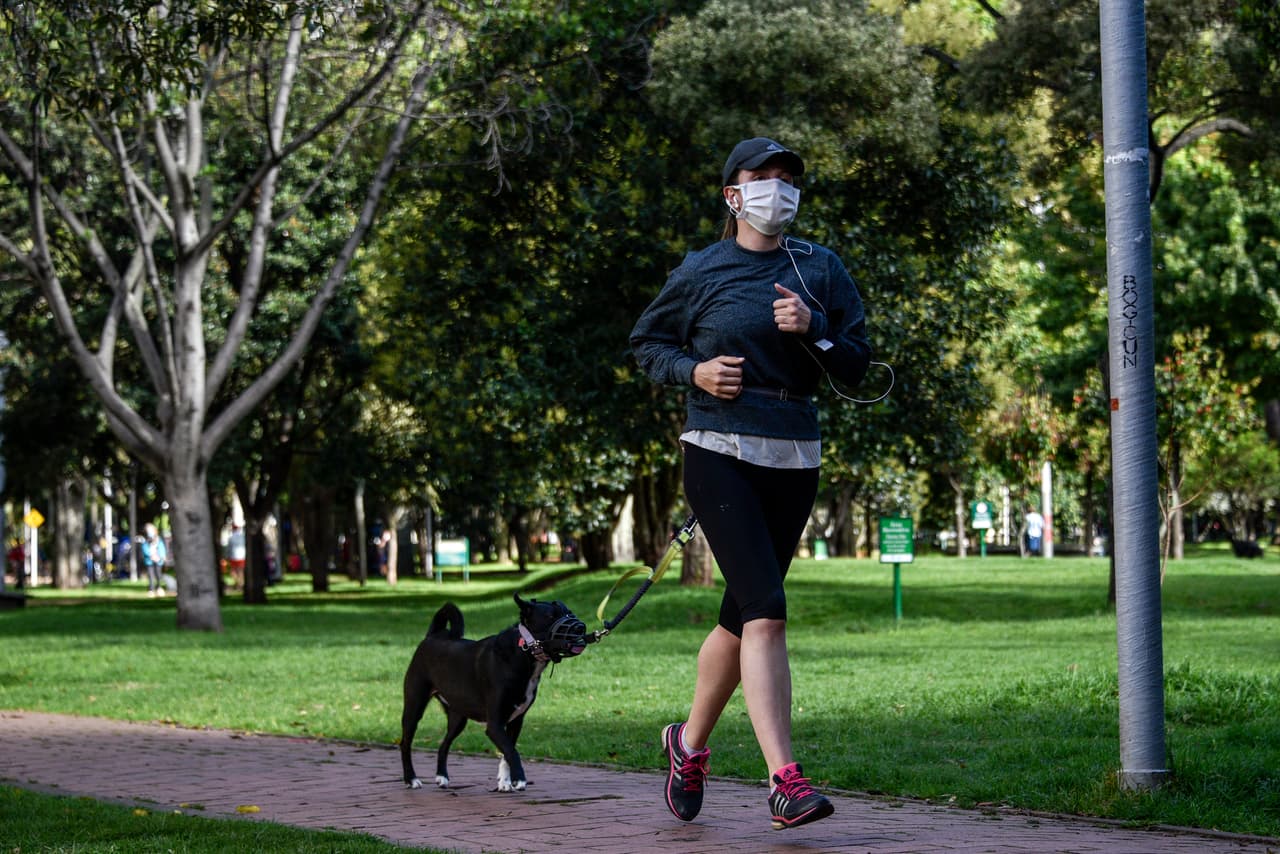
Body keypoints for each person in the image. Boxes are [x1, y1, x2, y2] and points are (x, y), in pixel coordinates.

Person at [630, 136, 872, 830]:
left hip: (794, 453)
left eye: (788, 177)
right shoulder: (702, 270)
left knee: (741, 615)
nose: (778, 188)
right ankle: (785, 781)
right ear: (732, 194)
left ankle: (688, 743)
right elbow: (649, 344)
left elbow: (856, 364)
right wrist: (694, 373)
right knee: (767, 610)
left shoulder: (820, 269)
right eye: (761, 176)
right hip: (717, 447)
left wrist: (815, 328)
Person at [141, 523, 168, 597]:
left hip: (158, 560)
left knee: (158, 575)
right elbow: (144, 549)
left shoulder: (159, 540)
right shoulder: (145, 541)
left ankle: (159, 588)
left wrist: (161, 557)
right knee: (151, 575)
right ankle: (151, 589)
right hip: (149, 561)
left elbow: (162, 549)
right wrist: (151, 556)